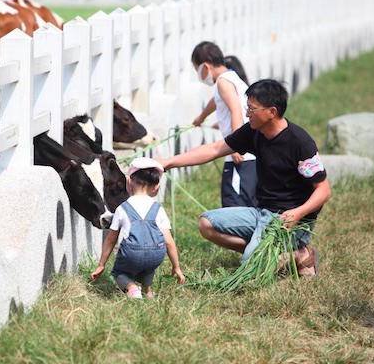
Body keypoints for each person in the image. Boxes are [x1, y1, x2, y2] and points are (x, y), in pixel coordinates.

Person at [159, 79, 331, 276]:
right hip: (262, 213)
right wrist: (168, 162)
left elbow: (324, 190)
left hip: (289, 221)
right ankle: (275, 253)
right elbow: (215, 149)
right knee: (206, 223)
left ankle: (294, 251)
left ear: (272, 112)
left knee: (250, 269)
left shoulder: (300, 142)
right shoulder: (253, 131)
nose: (247, 114)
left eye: (252, 109)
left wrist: (299, 213)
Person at [91, 157, 185, 298]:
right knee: (148, 267)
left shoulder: (122, 209)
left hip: (131, 253)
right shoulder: (158, 208)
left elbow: (111, 239)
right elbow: (169, 241)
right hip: (156, 254)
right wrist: (176, 267)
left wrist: (101, 264)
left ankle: (132, 288)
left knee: (119, 273)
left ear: (128, 182)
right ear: (156, 187)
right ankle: (147, 291)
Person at [191, 42, 258, 208]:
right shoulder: (232, 78)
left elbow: (235, 110)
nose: (199, 76)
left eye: (197, 70)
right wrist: (202, 117)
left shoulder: (223, 82)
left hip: (240, 156)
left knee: (235, 210)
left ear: (205, 66)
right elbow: (216, 101)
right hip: (249, 153)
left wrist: (236, 146)